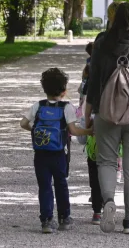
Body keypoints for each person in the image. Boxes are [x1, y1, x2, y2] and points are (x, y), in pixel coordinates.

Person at [84, 2, 129, 235]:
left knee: (106, 161)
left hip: (107, 113)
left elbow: (93, 83)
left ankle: (107, 201)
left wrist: (88, 115)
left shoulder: (101, 43)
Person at [20, 68, 91, 234]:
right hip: (59, 153)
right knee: (61, 184)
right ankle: (64, 218)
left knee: (44, 186)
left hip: (40, 154)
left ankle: (46, 220)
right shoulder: (67, 108)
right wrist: (89, 131)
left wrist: (35, 131)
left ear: (44, 89)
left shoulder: (38, 105)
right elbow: (73, 130)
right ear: (64, 91)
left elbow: (23, 123)